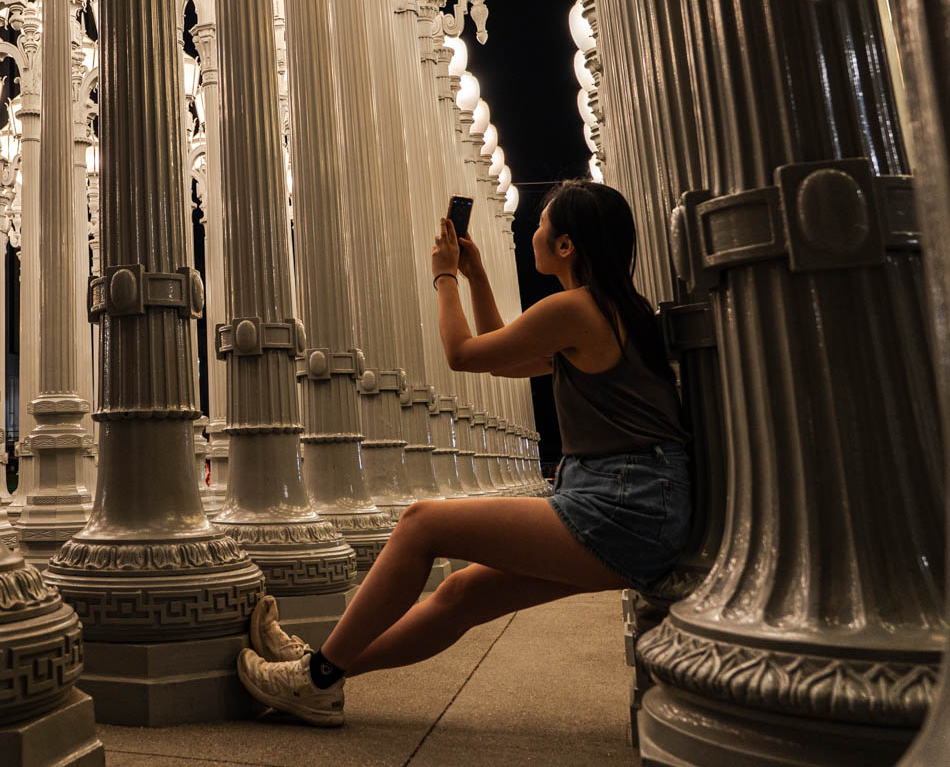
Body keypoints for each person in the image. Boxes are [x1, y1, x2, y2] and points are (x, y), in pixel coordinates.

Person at [235, 180, 692, 726]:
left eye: (543, 224)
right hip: (641, 502)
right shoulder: (613, 311)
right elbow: (502, 355)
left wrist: (444, 275)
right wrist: (476, 275)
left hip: (623, 505)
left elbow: (462, 354)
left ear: (567, 245)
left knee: (422, 523)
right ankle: (323, 673)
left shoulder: (573, 309)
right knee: (462, 593)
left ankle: (317, 676)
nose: (534, 232)